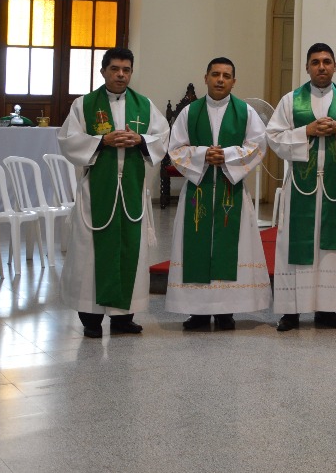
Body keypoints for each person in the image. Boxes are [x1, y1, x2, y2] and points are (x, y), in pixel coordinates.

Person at [59, 47, 169, 339]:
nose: (121, 75)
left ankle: (123, 318)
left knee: (129, 249)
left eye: (126, 70)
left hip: (131, 190)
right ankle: (91, 319)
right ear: (103, 71)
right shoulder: (84, 105)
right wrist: (102, 140)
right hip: (97, 191)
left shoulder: (144, 105)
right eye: (115, 69)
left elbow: (162, 137)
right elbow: (68, 140)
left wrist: (141, 139)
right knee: (91, 254)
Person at [266, 43, 336, 332]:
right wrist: (306, 131)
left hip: (335, 187)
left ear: (335, 65)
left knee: (331, 250)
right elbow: (273, 137)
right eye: (315, 62)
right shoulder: (290, 100)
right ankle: (291, 312)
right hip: (301, 185)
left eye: (326, 61)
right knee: (295, 245)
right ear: (307, 67)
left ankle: (327, 310)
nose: (321, 67)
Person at [165, 58, 270, 331]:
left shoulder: (245, 112)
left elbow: (258, 145)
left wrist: (227, 156)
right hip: (198, 190)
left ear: (234, 81)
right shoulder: (190, 112)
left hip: (230, 189)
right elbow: (175, 148)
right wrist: (203, 155)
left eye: (226, 75)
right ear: (206, 78)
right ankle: (197, 313)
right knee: (196, 247)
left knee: (231, 249)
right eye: (215, 74)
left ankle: (226, 312)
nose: (220, 80)